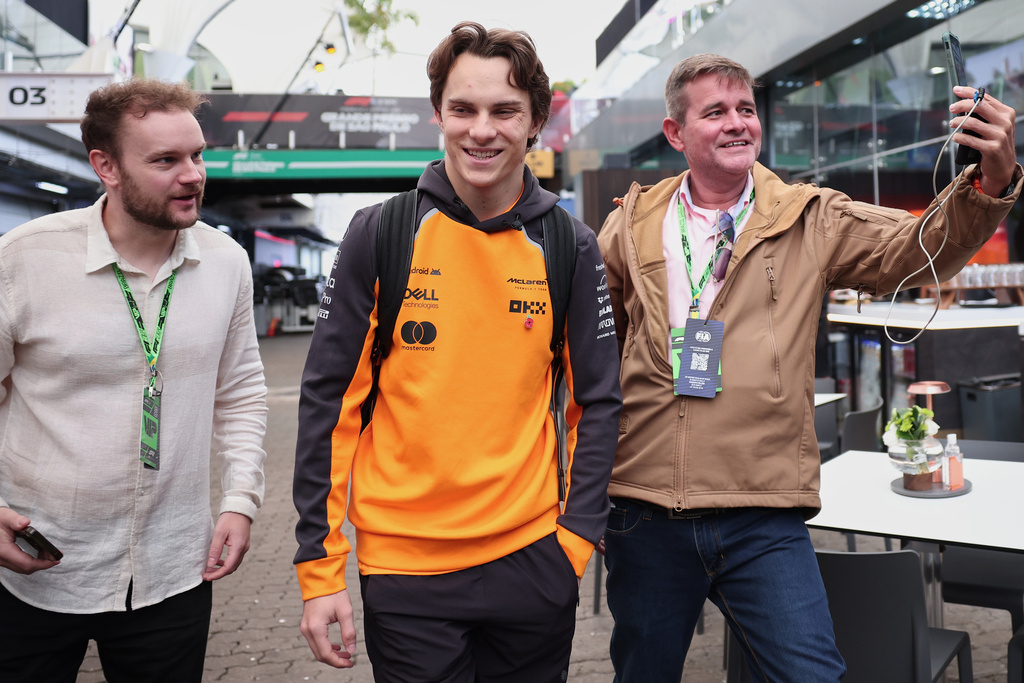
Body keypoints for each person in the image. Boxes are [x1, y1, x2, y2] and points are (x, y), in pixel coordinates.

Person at [596, 53, 1022, 682]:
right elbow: (598, 366)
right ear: (675, 133)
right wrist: (582, 493)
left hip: (763, 512)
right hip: (646, 509)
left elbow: (918, 247)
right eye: (715, 112)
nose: (738, 123)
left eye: (746, 109)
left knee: (813, 675)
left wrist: (991, 181)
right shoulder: (628, 226)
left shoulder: (809, 216)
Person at [293, 21, 622, 682]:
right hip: (406, 572)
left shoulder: (571, 245)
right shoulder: (380, 233)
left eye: (504, 110)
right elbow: (329, 408)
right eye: (463, 108)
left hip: (535, 561)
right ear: (438, 112)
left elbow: (600, 403)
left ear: (535, 121)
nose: (481, 129)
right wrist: (320, 570)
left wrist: (577, 539)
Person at [0, 78, 268, 683]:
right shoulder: (25, 260)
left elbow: (243, 389)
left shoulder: (225, 262)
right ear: (107, 166)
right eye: (166, 160)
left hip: (173, 569)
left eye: (197, 155)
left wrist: (241, 500)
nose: (193, 175)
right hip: (34, 565)